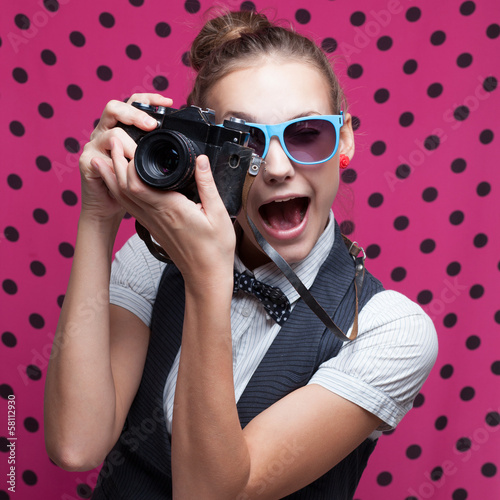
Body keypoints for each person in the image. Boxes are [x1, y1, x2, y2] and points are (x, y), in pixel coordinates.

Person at [44, 9, 438, 500]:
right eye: (244, 140)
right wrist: (99, 217)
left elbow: (210, 494)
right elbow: (75, 446)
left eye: (306, 133)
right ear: (201, 149)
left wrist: (206, 280)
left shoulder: (388, 329)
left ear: (346, 139)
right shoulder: (152, 260)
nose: (275, 168)